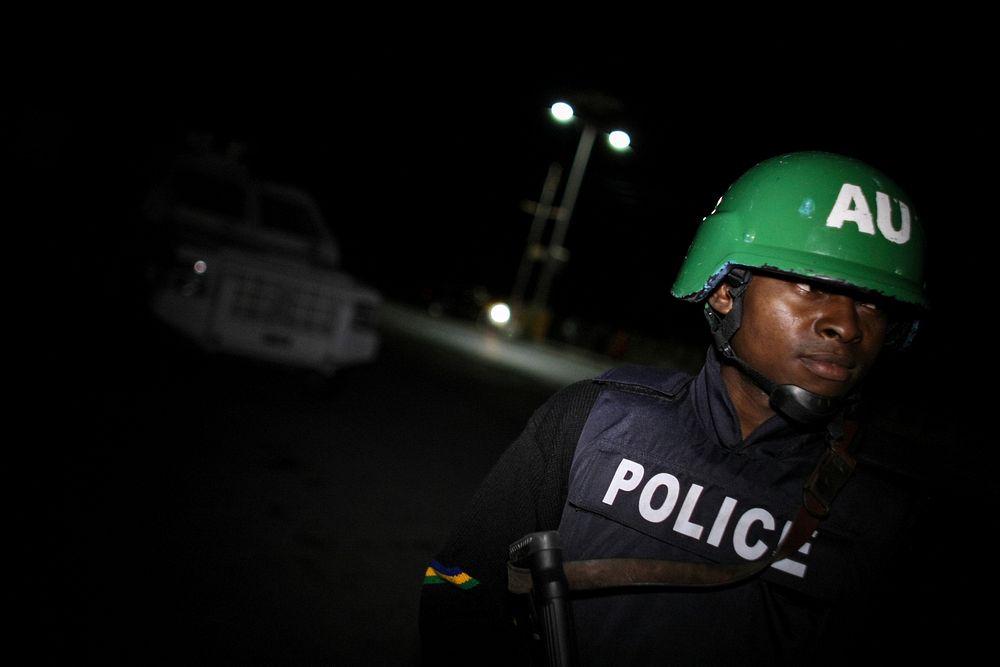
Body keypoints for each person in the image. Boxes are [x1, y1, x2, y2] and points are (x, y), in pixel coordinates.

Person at [418, 151, 934, 666]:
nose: (846, 325)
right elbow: (457, 582)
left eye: (872, 302)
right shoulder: (592, 418)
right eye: (810, 284)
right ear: (727, 291)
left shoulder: (892, 511)